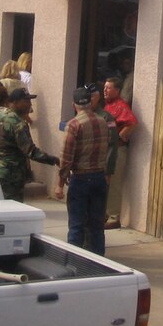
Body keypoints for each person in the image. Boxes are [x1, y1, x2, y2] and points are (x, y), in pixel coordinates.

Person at [54, 86, 110, 255]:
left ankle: (74, 262)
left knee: (76, 226)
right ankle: (100, 262)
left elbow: (66, 158)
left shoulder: (73, 125)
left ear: (74, 104)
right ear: (90, 102)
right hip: (99, 177)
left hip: (81, 178)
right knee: (97, 226)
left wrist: (60, 184)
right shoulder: (102, 121)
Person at [0, 88, 59, 201]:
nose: (30, 104)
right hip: (12, 175)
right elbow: (31, 151)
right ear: (15, 102)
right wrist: (54, 160)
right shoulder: (18, 123)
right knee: (12, 211)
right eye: (26, 101)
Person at [103, 76, 137, 229]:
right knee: (106, 182)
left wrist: (119, 137)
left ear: (117, 90)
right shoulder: (108, 106)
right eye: (105, 87)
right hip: (106, 150)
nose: (105, 90)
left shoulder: (121, 106)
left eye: (109, 87)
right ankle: (105, 212)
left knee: (114, 183)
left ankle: (114, 217)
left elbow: (132, 123)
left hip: (117, 151)